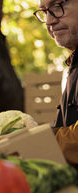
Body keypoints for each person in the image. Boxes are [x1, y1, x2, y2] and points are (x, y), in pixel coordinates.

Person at [34, 0, 78, 166]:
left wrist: (34, 144)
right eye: (45, 12)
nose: (49, 21)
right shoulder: (74, 64)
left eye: (57, 6)